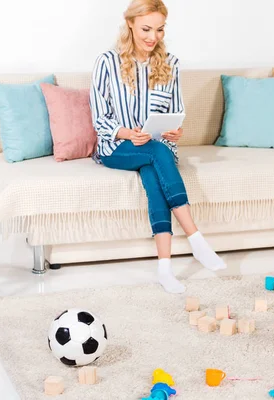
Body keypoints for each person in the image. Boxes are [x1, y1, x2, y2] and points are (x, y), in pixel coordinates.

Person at [89, 0, 226, 294]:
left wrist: (175, 130)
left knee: (154, 173)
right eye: (146, 29)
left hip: (156, 147)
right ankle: (196, 239)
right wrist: (127, 133)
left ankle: (165, 268)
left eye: (160, 30)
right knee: (155, 151)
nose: (153, 37)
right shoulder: (107, 62)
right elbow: (100, 118)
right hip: (117, 148)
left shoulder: (171, 64)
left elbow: (176, 111)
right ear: (130, 24)